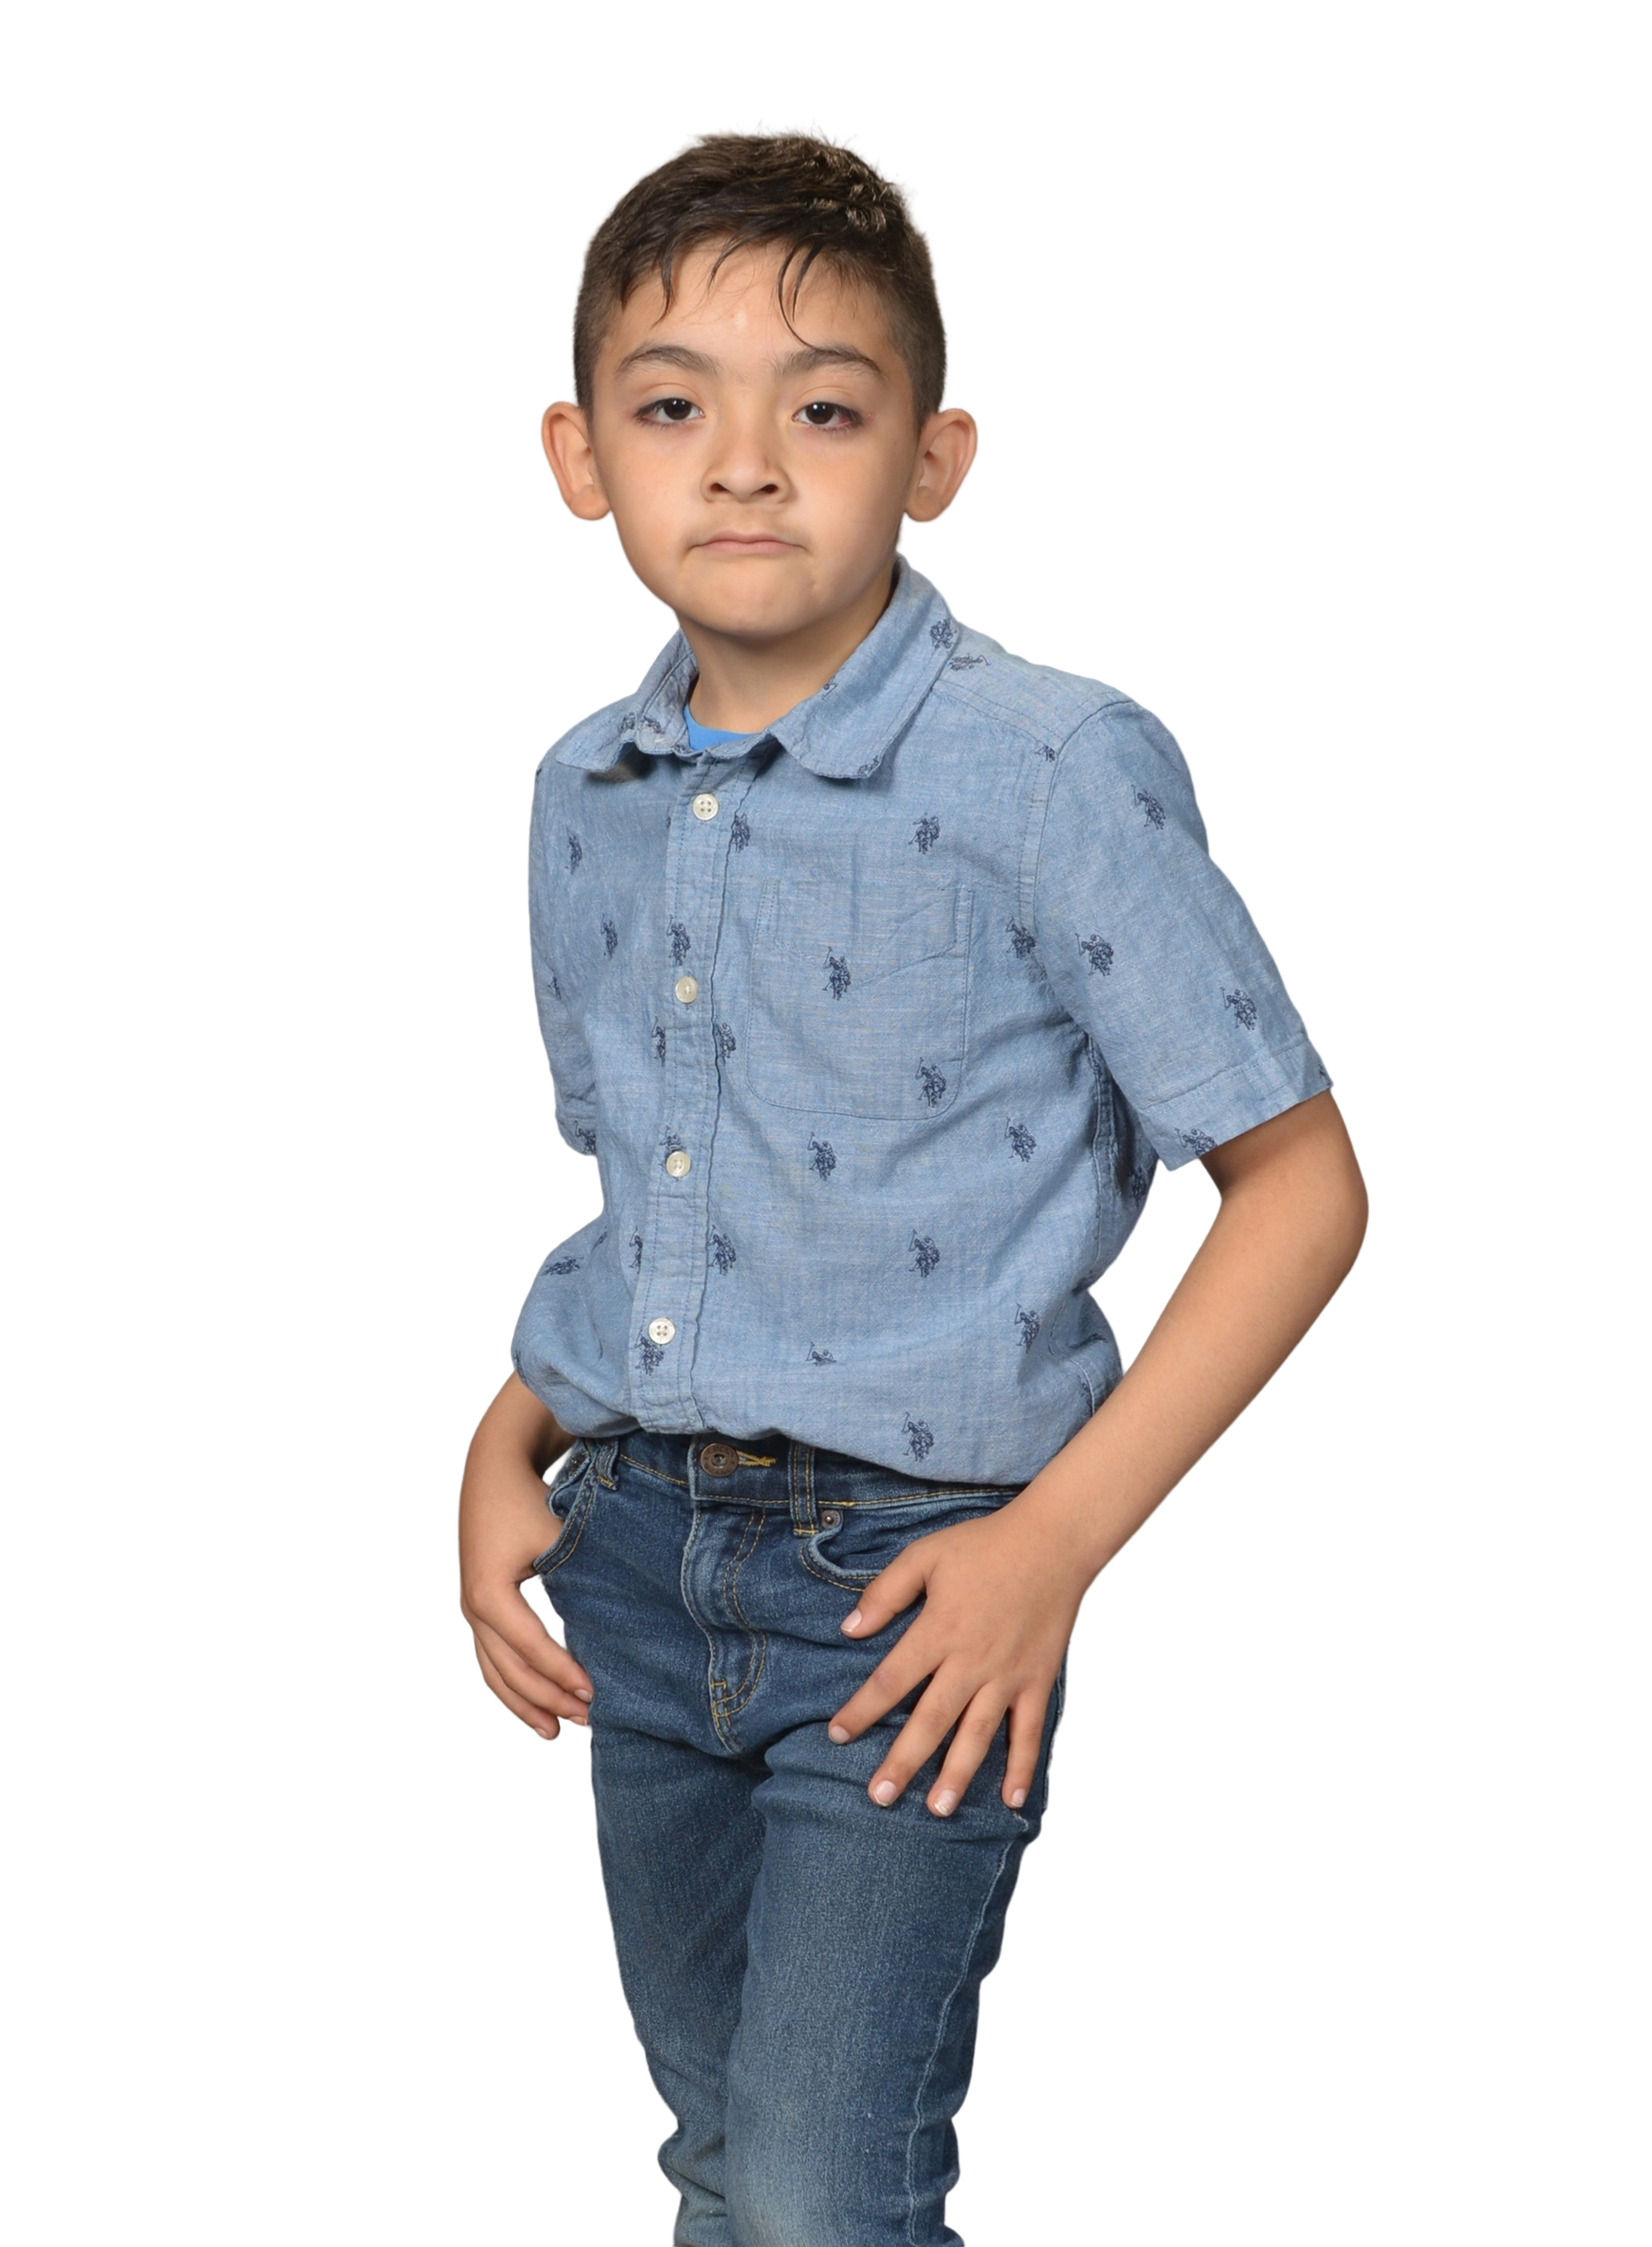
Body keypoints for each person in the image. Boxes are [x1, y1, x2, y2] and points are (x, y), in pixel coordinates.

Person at [457, 115, 1370, 2247]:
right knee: (723, 2168)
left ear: (935, 458)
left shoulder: (1049, 765)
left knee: (817, 2193)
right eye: (673, 409)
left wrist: (1053, 1546)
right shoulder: (587, 791)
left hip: (912, 1589)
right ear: (580, 457)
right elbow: (661, 1216)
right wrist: (507, 1450)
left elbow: (1303, 1187)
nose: (745, 466)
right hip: (632, 1561)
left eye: (825, 409)